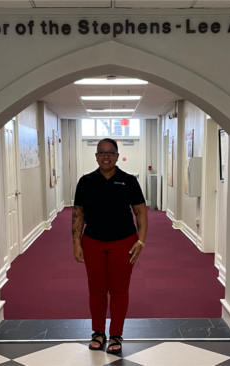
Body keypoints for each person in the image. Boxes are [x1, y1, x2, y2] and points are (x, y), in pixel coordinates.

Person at [72, 138, 148, 354]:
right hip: (93, 241)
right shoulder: (85, 181)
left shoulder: (129, 181)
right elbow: (78, 214)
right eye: (102, 152)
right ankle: (97, 332)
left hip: (124, 241)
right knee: (96, 290)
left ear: (117, 155)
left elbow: (140, 211)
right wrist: (76, 243)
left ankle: (116, 334)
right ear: (96, 156)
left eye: (111, 152)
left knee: (119, 291)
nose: (106, 156)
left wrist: (141, 240)